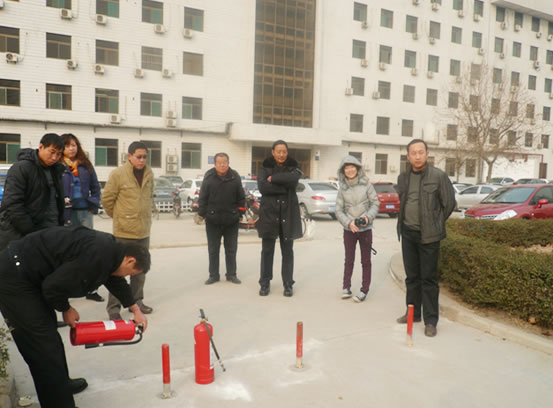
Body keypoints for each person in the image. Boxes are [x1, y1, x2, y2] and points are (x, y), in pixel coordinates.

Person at [0, 226, 150, 408]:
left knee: (50, 337)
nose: (127, 276)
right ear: (130, 259)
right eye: (130, 273)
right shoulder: (97, 255)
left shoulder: (111, 253)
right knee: (42, 347)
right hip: (15, 278)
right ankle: (59, 403)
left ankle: (61, 385)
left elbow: (115, 279)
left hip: (30, 274)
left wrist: (135, 309)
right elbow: (52, 287)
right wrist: (66, 308)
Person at [395, 139, 455, 337]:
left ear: (427, 154)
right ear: (408, 156)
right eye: (413, 153)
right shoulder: (403, 177)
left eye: (421, 152)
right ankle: (413, 313)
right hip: (408, 233)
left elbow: (449, 203)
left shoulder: (438, 176)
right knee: (412, 277)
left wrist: (435, 223)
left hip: (429, 236)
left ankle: (430, 321)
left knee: (428, 279)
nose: (418, 156)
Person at [102, 141, 154, 320]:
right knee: (118, 271)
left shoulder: (149, 173)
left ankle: (137, 302)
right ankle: (114, 308)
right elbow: (107, 200)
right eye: (138, 157)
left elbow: (149, 197)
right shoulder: (118, 174)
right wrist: (120, 217)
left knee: (140, 271)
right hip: (124, 232)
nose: (142, 160)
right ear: (129, 156)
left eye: (145, 157)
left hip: (143, 231)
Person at [0, 133, 65, 250]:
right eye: (52, 152)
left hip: (50, 231)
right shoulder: (21, 168)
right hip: (23, 234)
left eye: (59, 154)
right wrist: (30, 231)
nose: (55, 157)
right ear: (41, 147)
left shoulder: (56, 171)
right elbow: (12, 204)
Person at [60, 133, 103, 302]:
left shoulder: (85, 165)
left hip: (85, 212)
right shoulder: (58, 166)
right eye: (67, 145)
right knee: (68, 250)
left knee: (89, 249)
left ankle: (91, 289)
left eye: (74, 145)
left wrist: (93, 205)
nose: (71, 148)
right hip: (66, 214)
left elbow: (95, 187)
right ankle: (66, 288)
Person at [256, 140, 302, 297]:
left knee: (287, 252)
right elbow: (262, 187)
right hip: (269, 214)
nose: (282, 154)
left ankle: (288, 284)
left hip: (288, 214)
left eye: (284, 151)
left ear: (287, 152)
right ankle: (264, 283)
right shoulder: (264, 167)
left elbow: (294, 180)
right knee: (267, 251)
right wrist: (285, 186)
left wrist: (274, 179)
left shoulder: (293, 167)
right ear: (273, 152)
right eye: (279, 151)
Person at [335, 155, 380, 303]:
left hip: (366, 229)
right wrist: (348, 223)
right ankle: (346, 287)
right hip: (349, 230)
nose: (350, 170)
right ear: (343, 171)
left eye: (352, 167)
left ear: (357, 168)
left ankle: (364, 290)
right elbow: (338, 210)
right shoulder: (342, 188)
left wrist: (368, 217)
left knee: (366, 261)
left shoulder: (367, 184)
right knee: (349, 259)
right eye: (346, 168)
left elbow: (375, 203)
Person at [198, 152, 246, 285]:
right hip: (213, 220)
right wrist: (204, 214)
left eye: (224, 162)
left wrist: (239, 213)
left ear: (228, 163)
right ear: (215, 164)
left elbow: (241, 197)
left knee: (231, 249)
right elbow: (202, 198)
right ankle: (213, 275)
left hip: (231, 220)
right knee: (213, 250)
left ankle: (231, 274)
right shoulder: (209, 177)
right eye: (219, 163)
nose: (222, 165)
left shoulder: (235, 177)